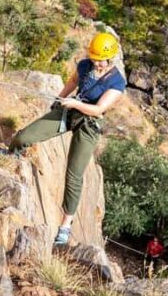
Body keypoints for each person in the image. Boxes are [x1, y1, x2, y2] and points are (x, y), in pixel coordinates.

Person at [9, 31, 126, 246]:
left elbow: (98, 109)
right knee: (24, 136)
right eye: (94, 58)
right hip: (69, 112)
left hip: (88, 124)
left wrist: (74, 103)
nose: (96, 63)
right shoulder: (85, 66)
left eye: (100, 60)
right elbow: (73, 81)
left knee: (74, 176)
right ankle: (11, 154)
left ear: (110, 58)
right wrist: (60, 97)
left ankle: (65, 225)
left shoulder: (117, 82)